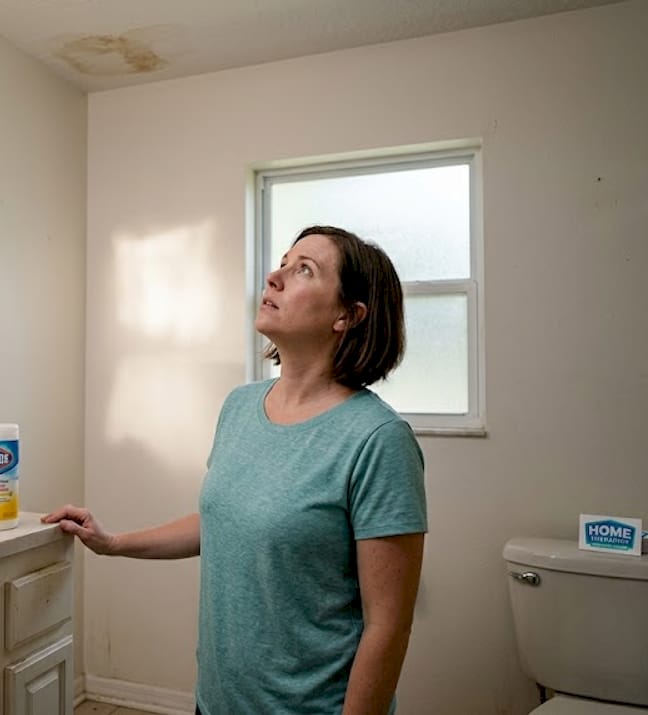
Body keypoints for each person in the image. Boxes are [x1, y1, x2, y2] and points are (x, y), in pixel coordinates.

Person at [44, 225, 427, 715]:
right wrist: (113, 543)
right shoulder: (241, 407)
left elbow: (388, 626)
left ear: (347, 316)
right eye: (283, 261)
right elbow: (225, 521)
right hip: (217, 701)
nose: (275, 276)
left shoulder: (378, 440)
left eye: (303, 269)